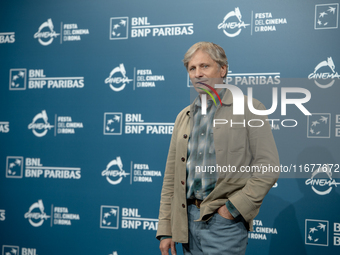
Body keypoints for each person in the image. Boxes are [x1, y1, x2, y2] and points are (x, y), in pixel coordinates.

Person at [156, 42, 280, 255]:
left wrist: (232, 210)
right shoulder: (183, 117)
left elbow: (268, 167)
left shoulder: (250, 109)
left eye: (205, 66)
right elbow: (171, 178)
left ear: (222, 69)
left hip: (224, 225)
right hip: (186, 224)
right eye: (192, 69)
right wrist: (167, 229)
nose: (198, 74)